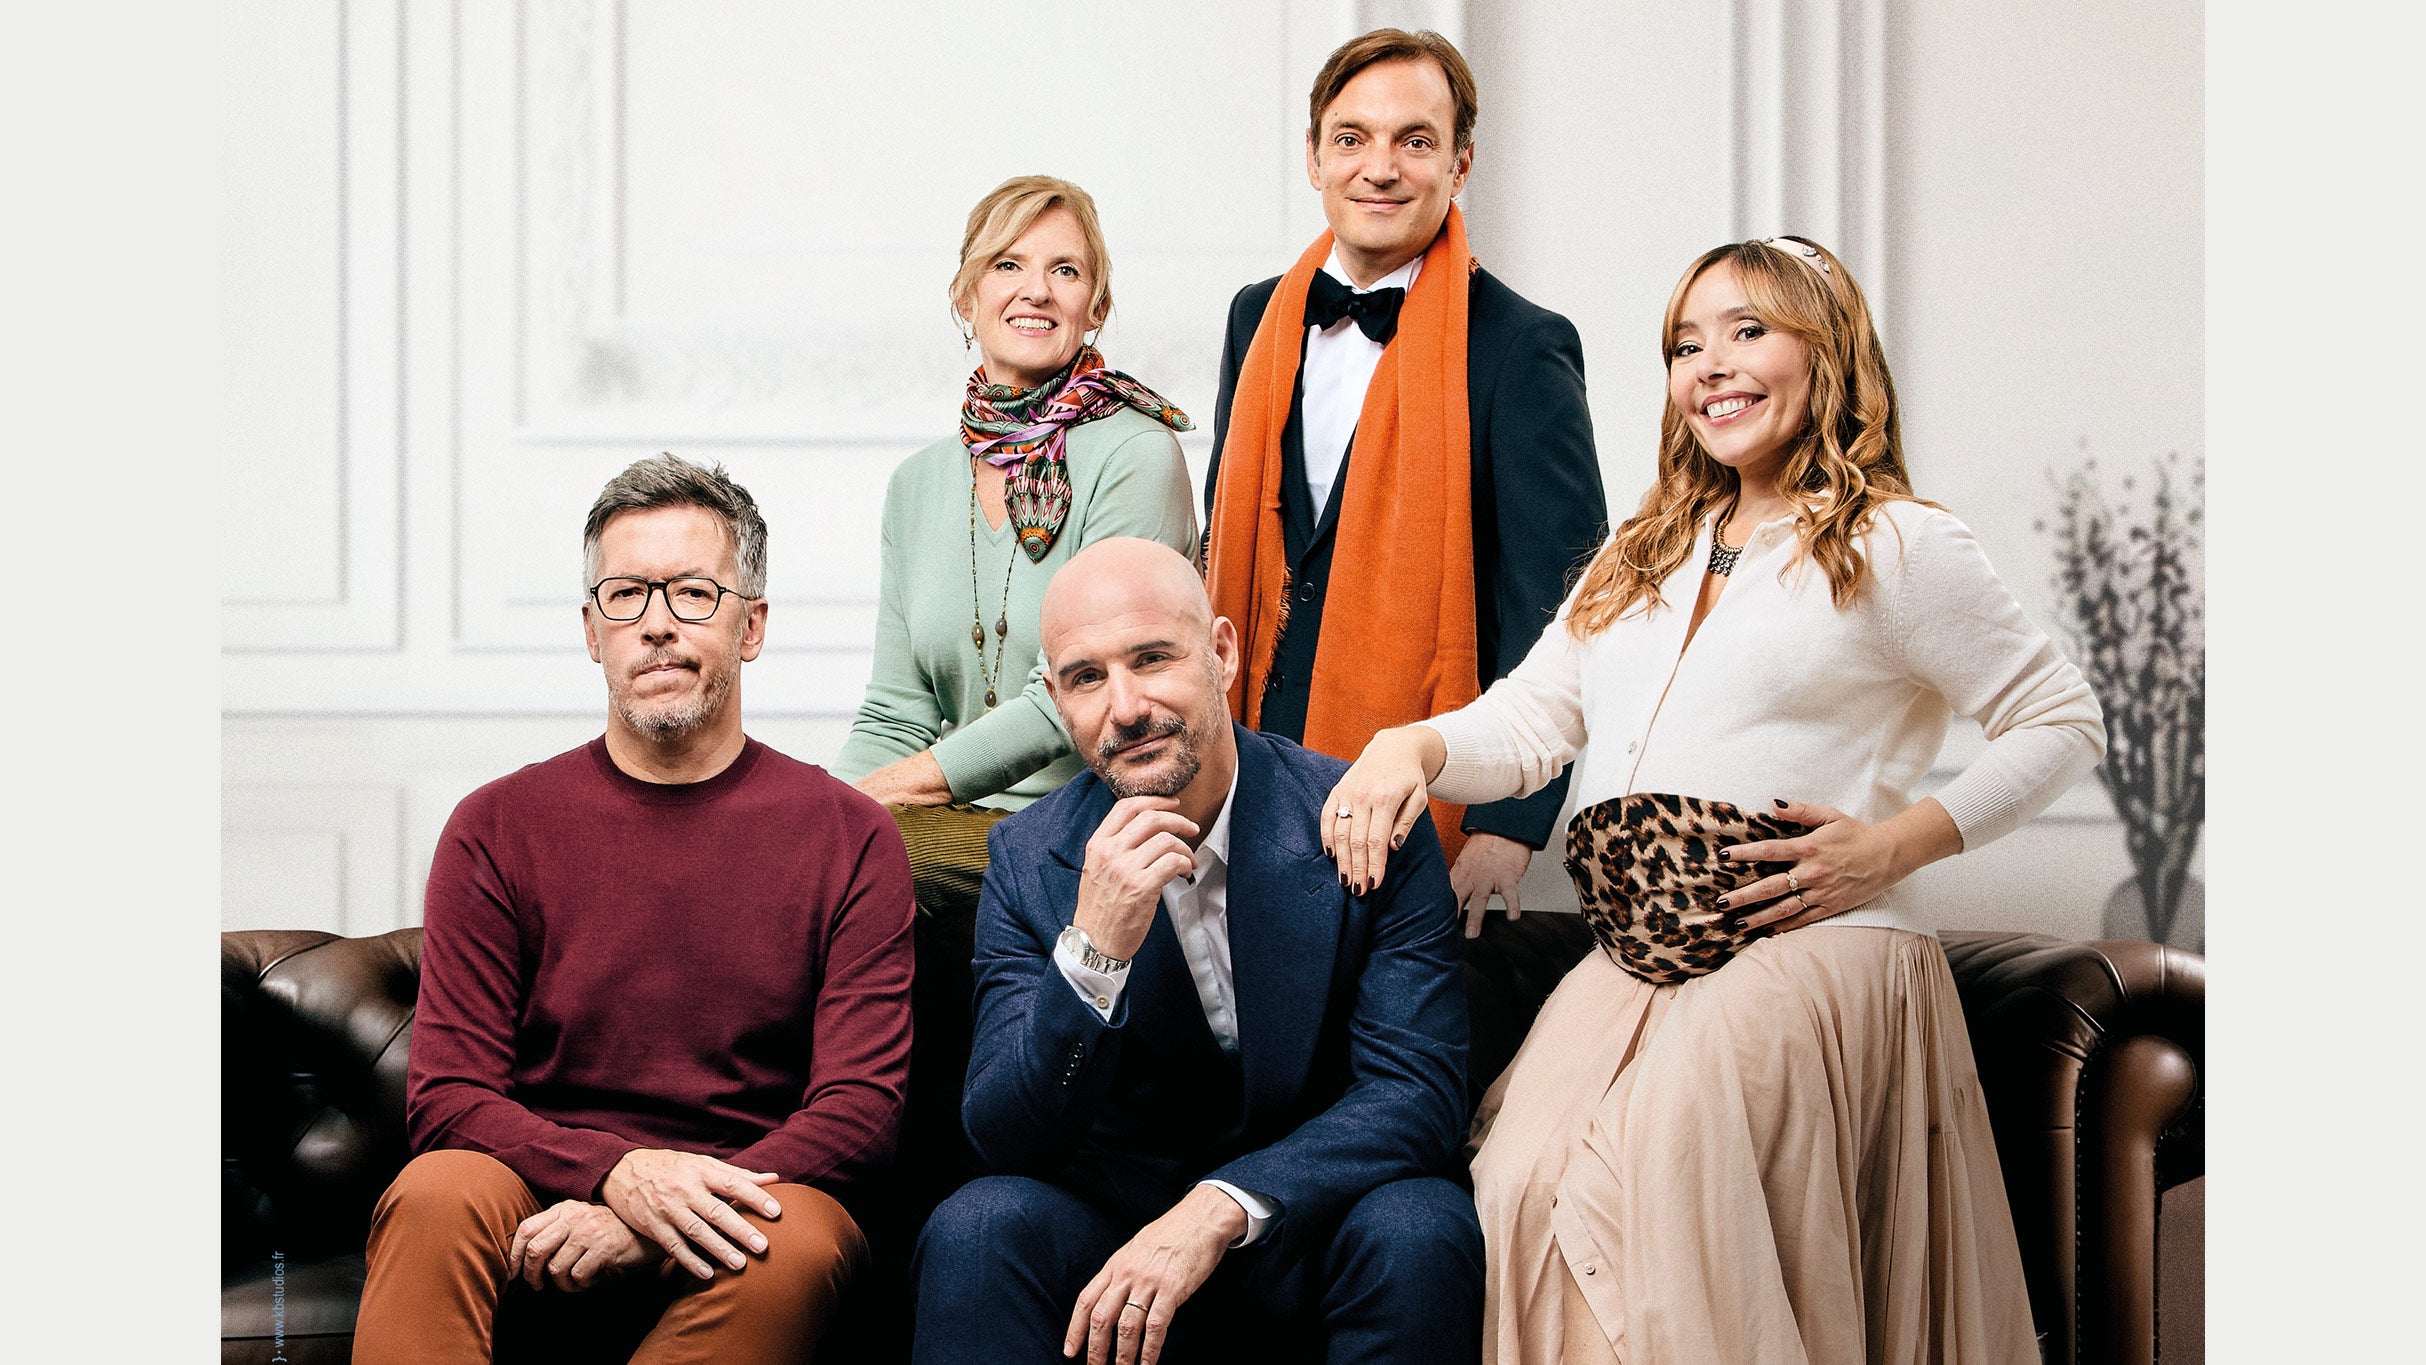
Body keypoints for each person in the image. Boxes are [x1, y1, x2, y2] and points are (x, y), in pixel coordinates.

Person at [1321, 238, 2101, 1363]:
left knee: (1658, 1183)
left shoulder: (1895, 543)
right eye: (1686, 345)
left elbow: (2061, 720)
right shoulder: (1640, 552)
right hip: (1636, 959)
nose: (1710, 366)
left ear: (1826, 350)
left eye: (1747, 331)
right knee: (1518, 1184)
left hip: (1807, 947)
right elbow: (1532, 724)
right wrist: (1413, 747)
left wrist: (1893, 847)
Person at [354, 454, 914, 1364]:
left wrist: (665, 1212)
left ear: (751, 625)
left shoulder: (850, 834)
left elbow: (860, 1111)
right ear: (592, 630)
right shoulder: (495, 826)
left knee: (801, 1239)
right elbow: (449, 1095)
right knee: (435, 1189)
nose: (656, 623)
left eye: (693, 592)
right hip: (539, 1195)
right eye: (626, 595)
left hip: (748, 1204)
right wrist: (614, 1174)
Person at [911, 538, 1482, 1365]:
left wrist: (1224, 1204)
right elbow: (1006, 1135)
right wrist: (1094, 952)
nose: (1126, 706)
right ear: (1057, 701)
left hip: (1313, 1223)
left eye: (1152, 658)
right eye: (1086, 677)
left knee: (1422, 1224)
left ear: (1221, 651)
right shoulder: (1029, 860)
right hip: (1115, 1237)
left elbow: (1417, 1093)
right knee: (975, 1227)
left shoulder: (1362, 817)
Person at [830, 176, 1199, 1201]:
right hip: (949, 824)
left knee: (871, 865)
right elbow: (895, 704)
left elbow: (1073, 697)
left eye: (1065, 269)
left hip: (1092, 811)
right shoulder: (918, 484)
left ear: (1096, 305)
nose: (1035, 289)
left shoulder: (1134, 454)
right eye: (1008, 264)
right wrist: (816, 815)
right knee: (799, 862)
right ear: (965, 294)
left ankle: (928, 1208)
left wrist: (878, 805)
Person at [1205, 27, 1607, 941]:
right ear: (1314, 157)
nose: (1379, 168)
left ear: (1461, 164)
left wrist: (1507, 825)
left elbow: (1565, 608)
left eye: (1414, 140)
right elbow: (1228, 538)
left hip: (1429, 795)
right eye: (1352, 138)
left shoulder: (1522, 345)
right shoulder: (1254, 316)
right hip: (1253, 769)